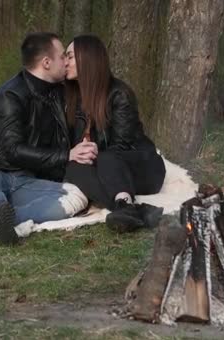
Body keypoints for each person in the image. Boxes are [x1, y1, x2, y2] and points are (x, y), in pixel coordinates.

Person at [0, 32, 93, 245]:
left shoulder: (60, 94)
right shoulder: (11, 96)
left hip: (24, 179)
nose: (67, 61)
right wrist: (67, 155)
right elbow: (13, 150)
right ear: (47, 63)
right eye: (63, 57)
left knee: (76, 196)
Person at [63, 35, 166, 233]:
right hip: (109, 175)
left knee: (107, 157)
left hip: (140, 168)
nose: (65, 62)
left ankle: (126, 207)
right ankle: (128, 208)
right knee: (73, 167)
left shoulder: (119, 94)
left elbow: (122, 145)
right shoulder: (73, 97)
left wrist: (91, 152)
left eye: (70, 56)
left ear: (87, 59)